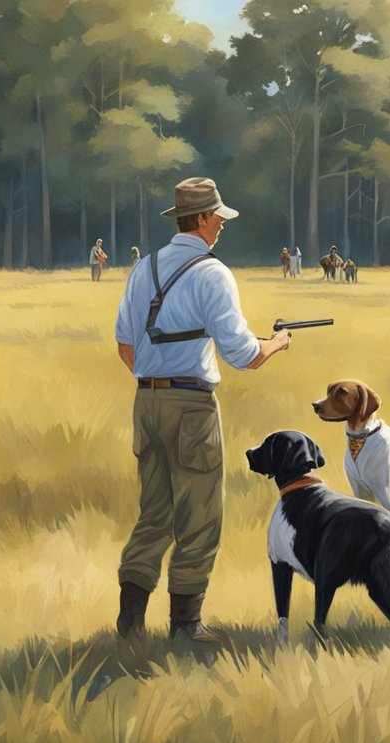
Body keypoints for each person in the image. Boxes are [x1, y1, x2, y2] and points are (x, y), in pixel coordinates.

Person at [112, 177, 292, 644]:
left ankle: (129, 624)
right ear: (203, 220)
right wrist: (276, 344)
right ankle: (186, 626)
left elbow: (125, 346)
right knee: (200, 516)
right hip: (191, 406)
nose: (222, 226)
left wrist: (155, 377)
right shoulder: (213, 273)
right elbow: (243, 355)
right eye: (218, 218)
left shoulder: (144, 268)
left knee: (153, 515)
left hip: (145, 402)